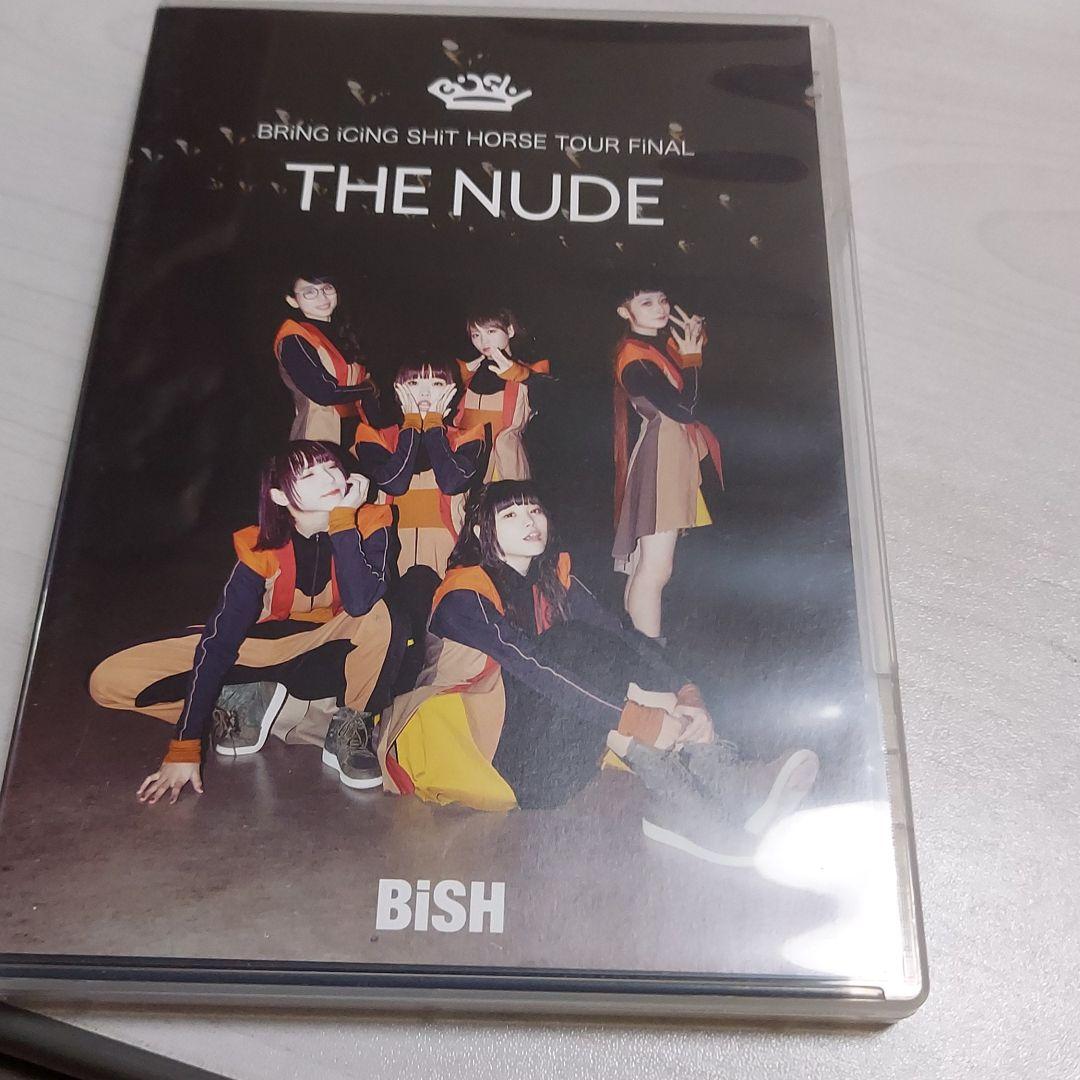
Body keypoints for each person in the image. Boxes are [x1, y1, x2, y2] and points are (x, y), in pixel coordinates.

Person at [377, 481, 815, 861]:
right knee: (571, 646)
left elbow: (622, 637)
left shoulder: (554, 580)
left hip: (546, 752)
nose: (529, 521)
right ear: (480, 532)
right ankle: (687, 801)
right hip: (485, 760)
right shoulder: (463, 595)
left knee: (601, 645)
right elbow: (535, 667)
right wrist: (638, 719)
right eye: (510, 515)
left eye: (534, 510)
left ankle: (723, 782)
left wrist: (685, 691)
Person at [88, 441, 402, 805]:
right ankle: (236, 700)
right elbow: (221, 640)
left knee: (382, 615)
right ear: (280, 497)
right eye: (309, 474)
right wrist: (185, 745)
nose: (329, 478)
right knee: (108, 682)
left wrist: (343, 520)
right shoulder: (260, 546)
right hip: (262, 649)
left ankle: (350, 727)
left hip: (329, 648)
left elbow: (361, 603)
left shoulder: (370, 522)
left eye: (331, 466)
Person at [612, 286, 724, 640]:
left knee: (645, 566)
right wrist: (692, 358)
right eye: (646, 302)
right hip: (662, 458)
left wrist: (693, 340)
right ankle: (647, 657)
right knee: (656, 569)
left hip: (669, 454)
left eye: (662, 300)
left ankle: (636, 651)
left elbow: (684, 383)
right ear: (625, 311)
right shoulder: (635, 357)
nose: (660, 308)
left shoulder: (650, 349)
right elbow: (686, 408)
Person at [274, 274, 381, 447]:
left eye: (327, 288)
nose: (322, 297)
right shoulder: (294, 338)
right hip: (320, 435)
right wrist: (369, 388)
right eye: (310, 292)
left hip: (358, 433)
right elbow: (324, 393)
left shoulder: (345, 332)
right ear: (292, 300)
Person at [454, 308, 550, 482]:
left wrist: (519, 374)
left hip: (506, 467)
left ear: (510, 331)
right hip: (468, 467)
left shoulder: (529, 372)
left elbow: (551, 397)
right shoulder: (469, 375)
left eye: (491, 331)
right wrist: (460, 374)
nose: (483, 341)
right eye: (476, 335)